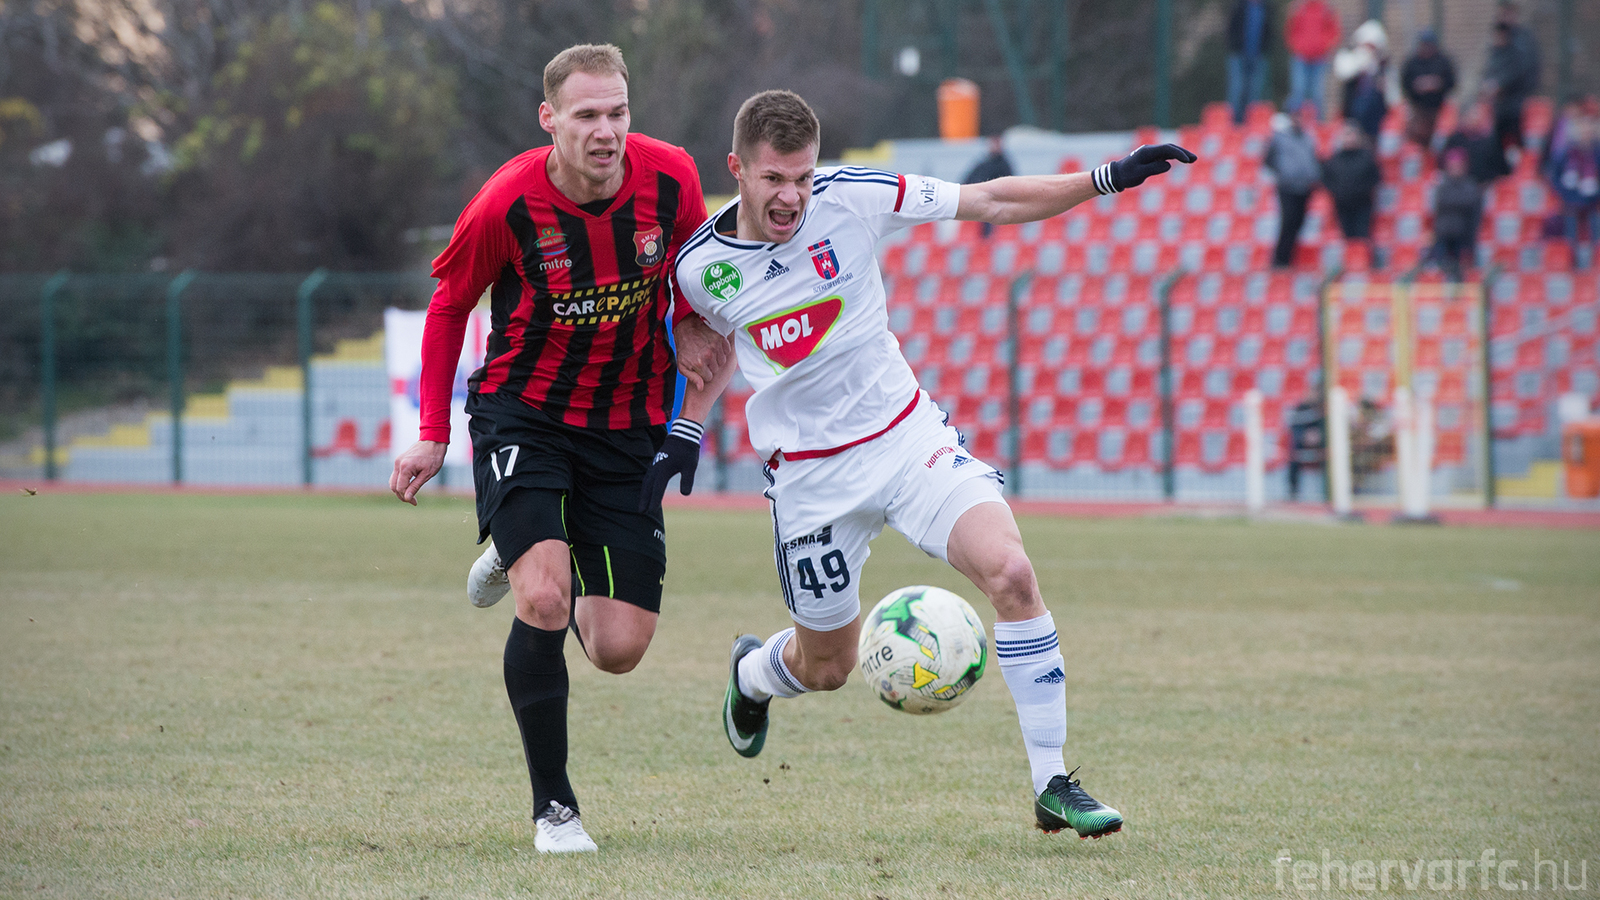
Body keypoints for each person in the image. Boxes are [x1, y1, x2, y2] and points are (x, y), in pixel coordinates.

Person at [649, 89, 1195, 839]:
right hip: (810, 480)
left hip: (906, 439)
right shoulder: (699, 269)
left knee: (1012, 573)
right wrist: (685, 428)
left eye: (803, 177)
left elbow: (992, 199)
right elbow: (708, 352)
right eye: (774, 179)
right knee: (828, 667)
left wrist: (1104, 178)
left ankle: (1052, 781)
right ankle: (753, 673)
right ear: (737, 170)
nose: (793, 197)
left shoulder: (854, 197)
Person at [388, 44, 732, 854]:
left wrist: (690, 327)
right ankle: (555, 810)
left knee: (618, 648)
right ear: (550, 119)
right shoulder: (507, 202)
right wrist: (432, 431)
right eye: (587, 115)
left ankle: (527, 545)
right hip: (526, 415)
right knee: (544, 601)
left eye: (618, 112)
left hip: (627, 423)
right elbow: (449, 306)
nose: (606, 130)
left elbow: (697, 275)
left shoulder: (673, 178)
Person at [1479, 0, 1541, 165]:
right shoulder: (1497, 46)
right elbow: (1489, 70)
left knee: (1517, 138)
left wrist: (1499, 84)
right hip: (1501, 103)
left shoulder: (1522, 40)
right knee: (1496, 140)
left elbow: (1521, 69)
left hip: (1517, 99)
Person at [1544, 100, 1600, 268]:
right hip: (1570, 201)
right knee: (1570, 235)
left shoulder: (1597, 153)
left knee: (1596, 232)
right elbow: (1554, 176)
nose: (1585, 132)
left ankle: (1595, 264)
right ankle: (1572, 264)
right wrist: (1564, 194)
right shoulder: (1566, 153)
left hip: (1594, 202)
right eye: (1582, 129)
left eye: (1588, 129)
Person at [1264, 110, 1323, 268]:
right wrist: (1283, 173)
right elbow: (1269, 159)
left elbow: (1313, 159)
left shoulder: (1308, 138)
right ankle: (1280, 260)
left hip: (1305, 188)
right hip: (1287, 187)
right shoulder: (1280, 138)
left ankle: (1288, 258)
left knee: (1299, 222)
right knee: (1288, 221)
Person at [1322, 120, 1383, 264]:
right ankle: (1350, 264)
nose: (1349, 138)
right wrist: (1337, 192)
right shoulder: (1335, 159)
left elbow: (1375, 178)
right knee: (1347, 237)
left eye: (1352, 135)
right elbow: (1327, 179)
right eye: (1346, 135)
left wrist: (1362, 190)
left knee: (1362, 236)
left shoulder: (1366, 157)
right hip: (1342, 204)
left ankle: (1366, 264)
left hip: (1362, 204)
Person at [1430, 147, 1485, 280]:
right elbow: (1440, 201)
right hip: (1443, 235)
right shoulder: (1442, 184)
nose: (1455, 169)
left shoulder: (1470, 185)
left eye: (1458, 166)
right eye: (1452, 166)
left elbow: (1470, 203)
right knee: (1440, 272)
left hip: (1463, 237)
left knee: (1461, 273)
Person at [1284, 0, 1342, 120]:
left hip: (1319, 58)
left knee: (1318, 93)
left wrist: (1324, 47)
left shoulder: (1326, 9)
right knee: (1298, 90)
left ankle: (1318, 124)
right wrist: (1297, 46)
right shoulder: (1300, 8)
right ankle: (1294, 122)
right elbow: (1290, 29)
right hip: (1301, 57)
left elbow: (1334, 31)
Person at [1400, 29, 1457, 147]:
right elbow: (1404, 84)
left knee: (1439, 140)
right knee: (1416, 137)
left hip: (1439, 108)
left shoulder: (1443, 61)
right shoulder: (1412, 62)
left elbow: (1452, 83)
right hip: (1418, 108)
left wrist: (1438, 84)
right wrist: (1417, 86)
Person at [1334, 19, 1390, 141]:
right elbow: (1345, 73)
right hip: (1353, 112)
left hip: (1375, 116)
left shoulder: (1381, 66)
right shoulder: (1350, 58)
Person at [1441, 100, 1512, 184]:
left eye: (1477, 115)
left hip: (1486, 185)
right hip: (1459, 185)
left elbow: (1501, 168)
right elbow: (1443, 166)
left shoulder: (1489, 141)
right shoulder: (1454, 140)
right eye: (1471, 115)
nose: (1475, 118)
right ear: (1463, 117)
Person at [1227, 0, 1274, 125]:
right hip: (1239, 55)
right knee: (1237, 89)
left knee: (1254, 91)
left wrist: (1265, 49)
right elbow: (1231, 28)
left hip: (1258, 56)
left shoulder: (1266, 7)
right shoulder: (1239, 5)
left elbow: (1269, 31)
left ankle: (1251, 123)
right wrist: (1235, 47)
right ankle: (1235, 124)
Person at [962, 136, 1015, 238]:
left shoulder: (1004, 164)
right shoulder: (983, 162)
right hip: (977, 197)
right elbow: (970, 178)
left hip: (994, 200)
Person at [1286, 394, 1326, 501]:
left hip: (1323, 446)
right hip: (1302, 445)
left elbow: (1330, 431)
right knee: (1293, 457)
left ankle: (1329, 492)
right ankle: (1293, 493)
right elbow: (1295, 427)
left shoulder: (1327, 408)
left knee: (1330, 457)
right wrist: (1304, 436)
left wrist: (1320, 436)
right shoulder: (1302, 408)